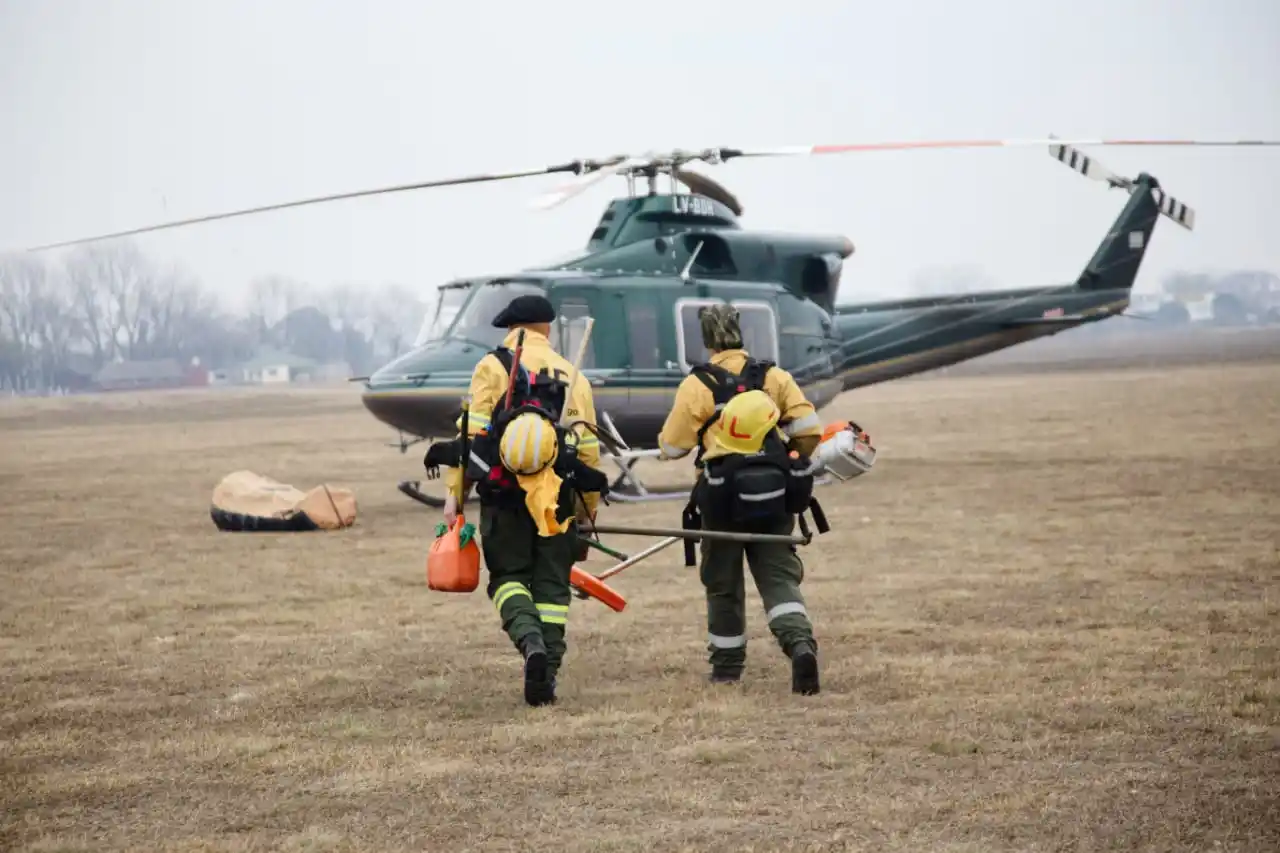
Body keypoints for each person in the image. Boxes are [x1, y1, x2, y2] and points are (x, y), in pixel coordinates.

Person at [432, 293, 607, 707]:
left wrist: (454, 496)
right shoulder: (572, 373)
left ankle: (531, 644)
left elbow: (470, 440)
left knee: (508, 577)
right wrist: (586, 512)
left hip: (504, 498)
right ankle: (547, 673)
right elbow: (587, 452)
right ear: (547, 329)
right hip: (559, 502)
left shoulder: (491, 367)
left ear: (513, 330)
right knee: (552, 588)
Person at [656, 303, 825, 695]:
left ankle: (727, 669)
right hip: (775, 497)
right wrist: (790, 457)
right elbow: (809, 430)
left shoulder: (696, 385)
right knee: (779, 577)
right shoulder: (775, 377)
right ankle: (799, 644)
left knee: (723, 583)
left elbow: (672, 446)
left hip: (721, 502)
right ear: (740, 331)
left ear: (706, 339)